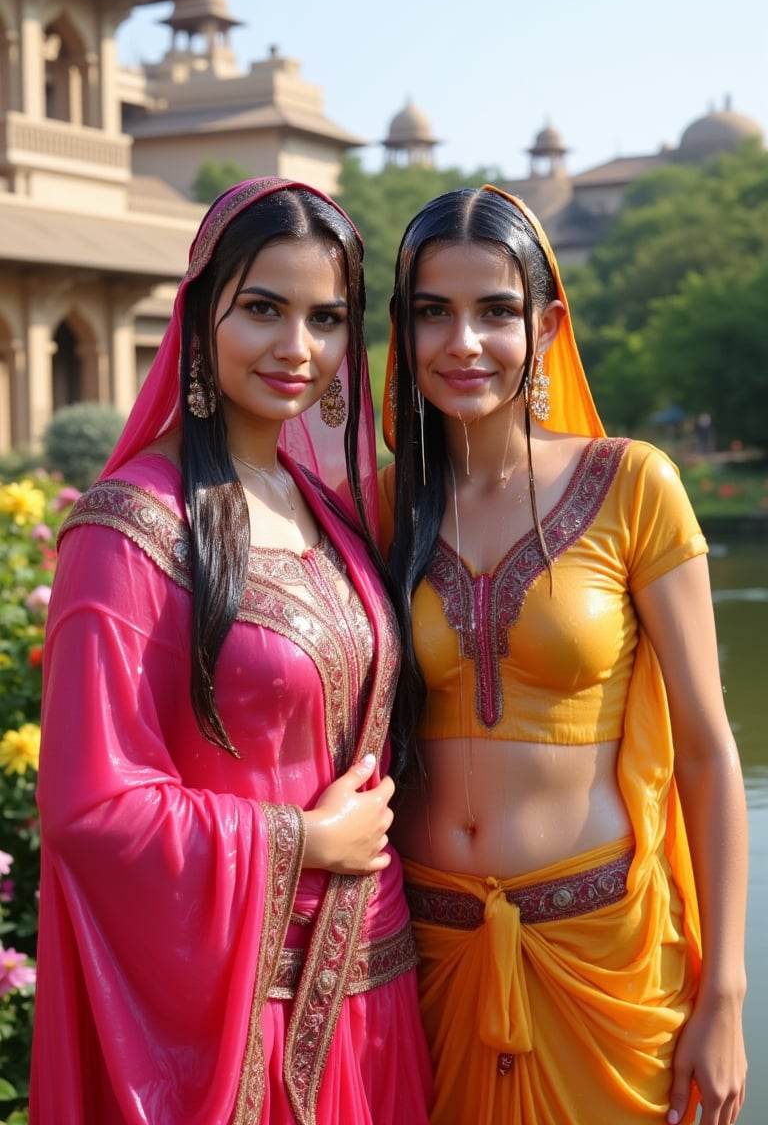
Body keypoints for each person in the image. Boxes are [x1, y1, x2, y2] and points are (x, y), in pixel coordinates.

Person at [30, 177, 433, 1125]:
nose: (298, 349)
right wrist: (301, 842)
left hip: (375, 998)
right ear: (201, 316)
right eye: (263, 309)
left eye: (326, 317)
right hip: (241, 1015)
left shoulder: (329, 509)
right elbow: (89, 805)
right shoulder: (130, 530)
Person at [378, 185, 748, 1125]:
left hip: (604, 961)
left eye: (496, 311)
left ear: (545, 326)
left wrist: (726, 996)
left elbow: (708, 754)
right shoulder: (381, 508)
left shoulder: (630, 485)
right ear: (402, 330)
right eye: (434, 312)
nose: (464, 342)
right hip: (424, 961)